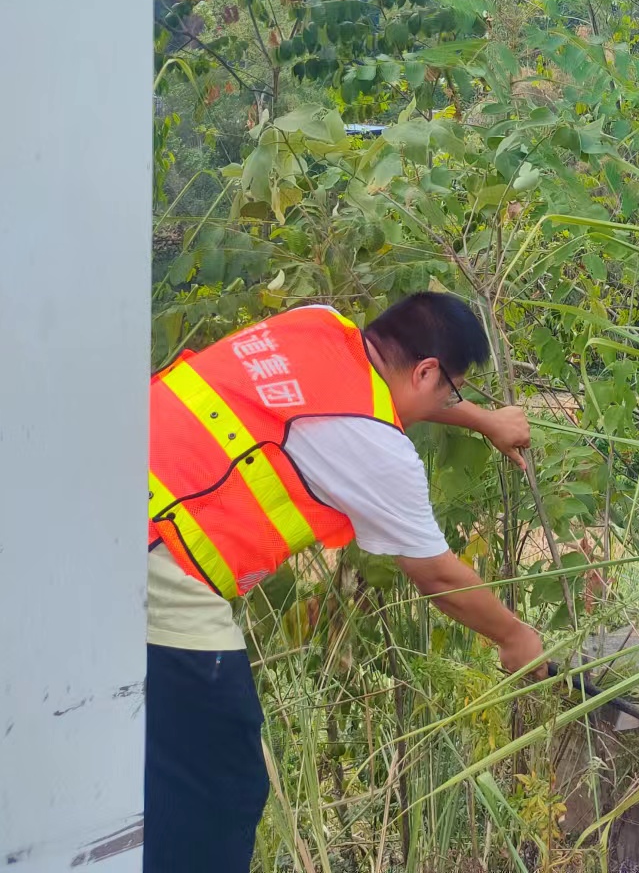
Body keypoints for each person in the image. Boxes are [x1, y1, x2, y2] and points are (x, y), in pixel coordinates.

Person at [144, 292, 544, 872]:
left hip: (114, 487)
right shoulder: (379, 453)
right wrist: (514, 638)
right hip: (162, 560)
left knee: (159, 754)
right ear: (427, 370)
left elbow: (372, 395)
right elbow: (434, 572)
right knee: (222, 783)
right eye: (451, 389)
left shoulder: (317, 324)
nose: (448, 401)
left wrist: (479, 418)